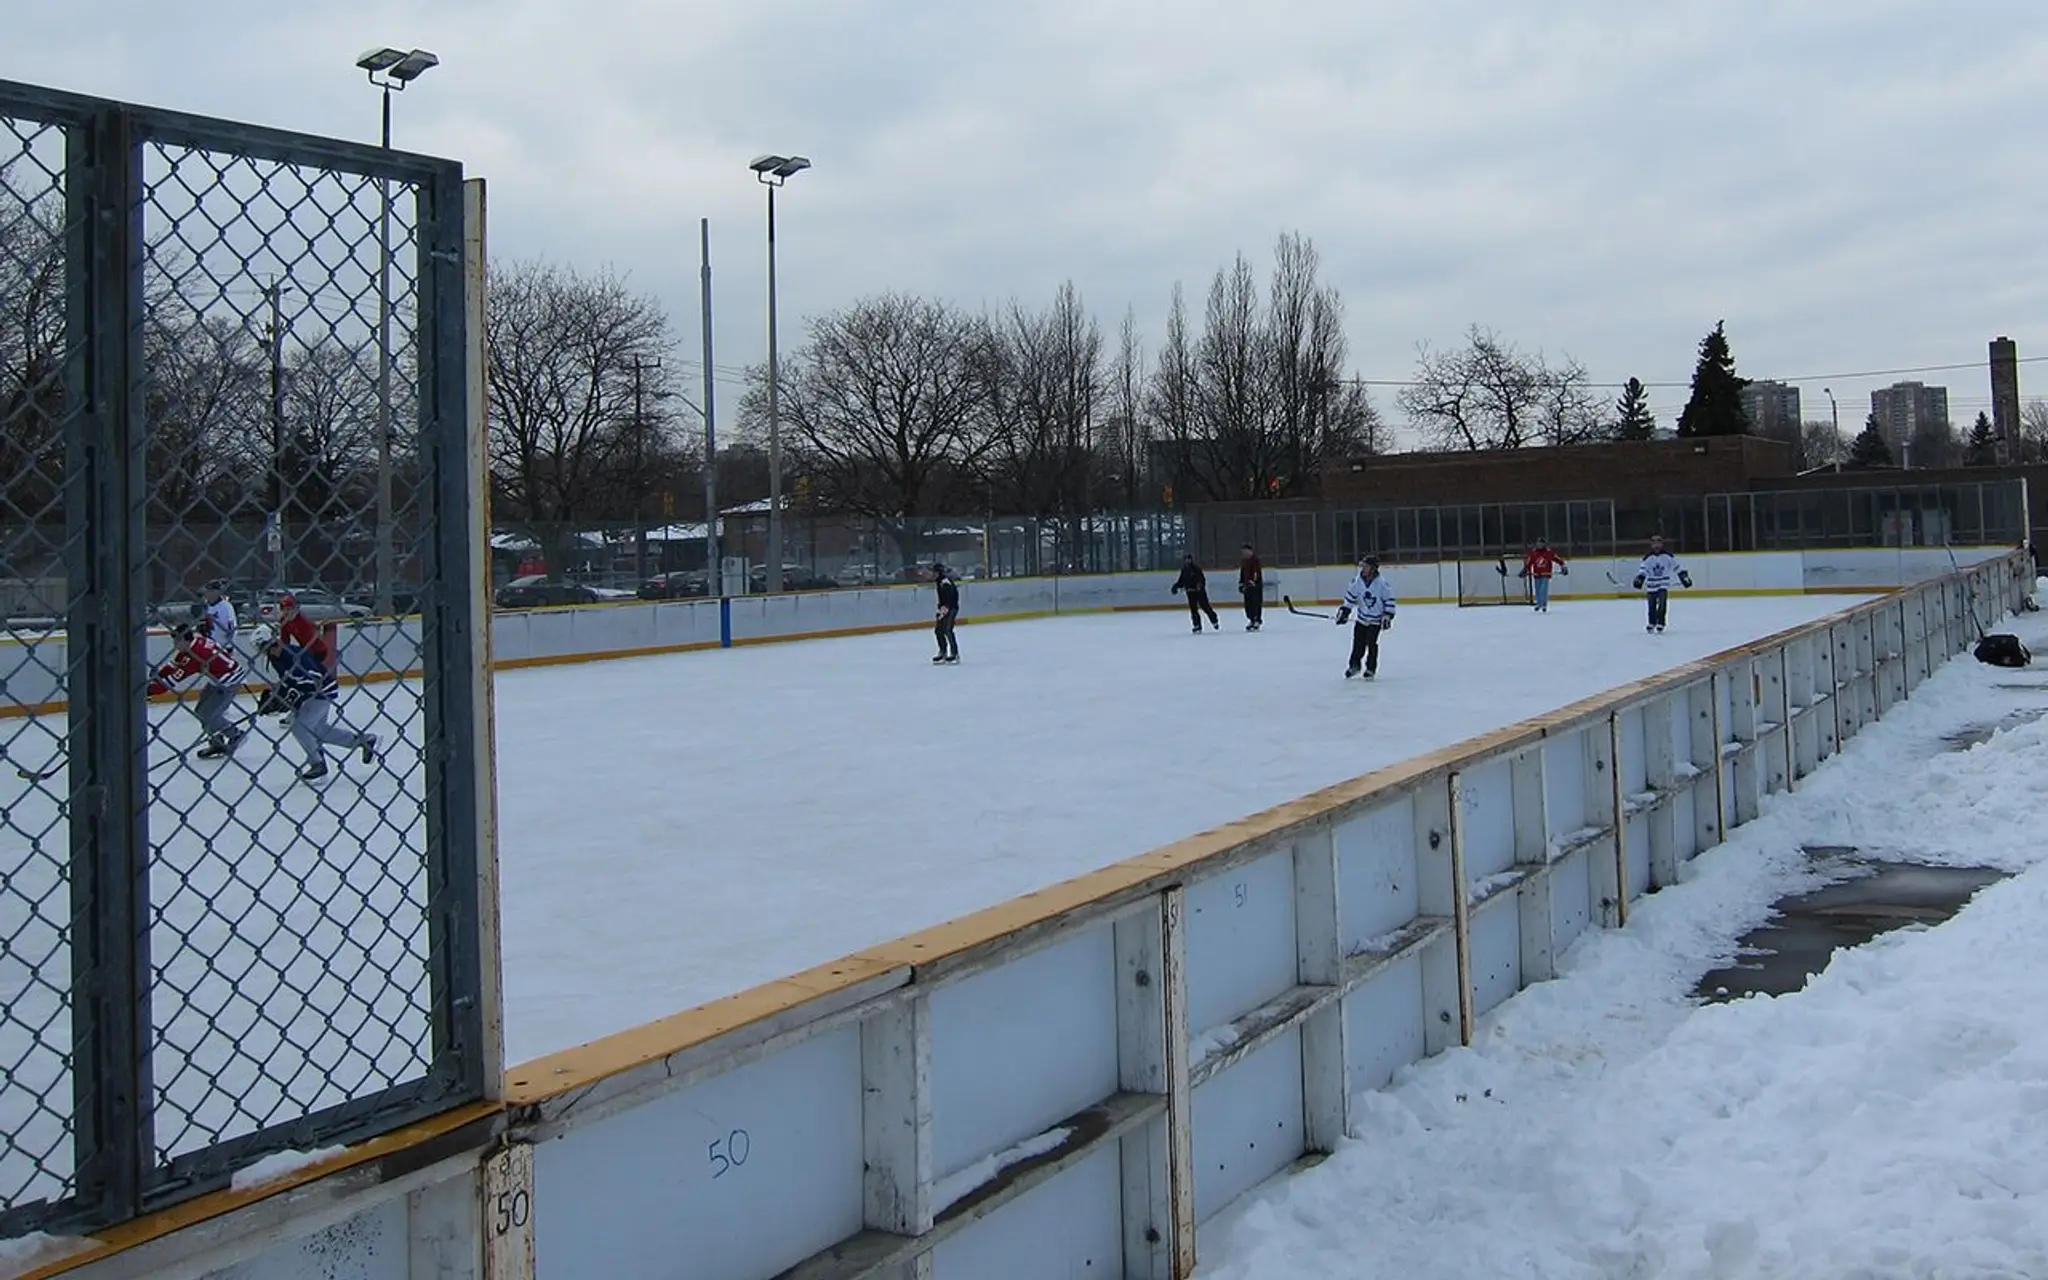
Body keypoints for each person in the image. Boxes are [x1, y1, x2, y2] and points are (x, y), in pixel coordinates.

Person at [251, 624, 377, 780]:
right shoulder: (276, 658)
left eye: (270, 645)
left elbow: (313, 681)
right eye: (264, 648)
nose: (270, 650)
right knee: (319, 730)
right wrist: (277, 698)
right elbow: (288, 682)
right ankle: (364, 741)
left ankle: (317, 763)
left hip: (320, 693)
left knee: (300, 728)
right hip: (313, 695)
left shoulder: (294, 655)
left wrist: (290, 698)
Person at [148, 621, 250, 758]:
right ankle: (217, 743)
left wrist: (147, 690)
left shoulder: (195, 656)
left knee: (209, 715)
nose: (175, 645)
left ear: (184, 640)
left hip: (228, 682)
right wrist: (158, 675)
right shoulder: (195, 642)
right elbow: (173, 665)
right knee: (201, 712)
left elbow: (169, 683)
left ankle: (236, 734)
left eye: (177, 641)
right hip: (220, 678)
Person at [1335, 555, 1397, 679]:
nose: (1363, 568)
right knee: (1358, 643)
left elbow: (1389, 602)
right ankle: (1354, 666)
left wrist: (1388, 616)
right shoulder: (1357, 581)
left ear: (1373, 568)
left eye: (1366, 566)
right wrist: (1345, 611)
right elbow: (1351, 597)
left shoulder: (1382, 584)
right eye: (1363, 566)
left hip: (1375, 621)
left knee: (1371, 644)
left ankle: (1370, 668)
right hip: (1362, 619)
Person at [1632, 534, 1693, 633]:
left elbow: (1677, 568)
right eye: (1654, 543)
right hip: (1651, 586)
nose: (1656, 545)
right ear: (1651, 545)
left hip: (1663, 585)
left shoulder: (1668, 557)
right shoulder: (1647, 558)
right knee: (1651, 606)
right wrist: (1639, 579)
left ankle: (1661, 623)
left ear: (1662, 544)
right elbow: (1643, 570)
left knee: (1662, 605)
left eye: (1658, 543)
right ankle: (1651, 623)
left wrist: (1684, 577)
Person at [274, 592, 334, 670]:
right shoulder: (285, 621)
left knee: (312, 670)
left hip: (317, 650)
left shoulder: (302, 621)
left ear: (295, 609)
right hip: (304, 650)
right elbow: (285, 640)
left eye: (289, 609)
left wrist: (303, 653)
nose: (286, 612)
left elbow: (312, 639)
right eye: (284, 609)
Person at [1170, 555, 1220, 633]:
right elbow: (1181, 581)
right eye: (1186, 560)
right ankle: (1197, 625)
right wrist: (1176, 587)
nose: (1187, 561)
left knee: (1205, 607)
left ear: (1191, 560)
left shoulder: (1196, 568)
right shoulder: (1184, 570)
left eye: (1188, 559)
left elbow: (1202, 579)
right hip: (1190, 593)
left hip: (1200, 592)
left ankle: (1214, 620)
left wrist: (1199, 585)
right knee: (1193, 610)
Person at [1519, 539, 1569, 613]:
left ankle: (1544, 605)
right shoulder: (1534, 553)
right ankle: (1539, 604)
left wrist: (1563, 566)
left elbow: (1558, 559)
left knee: (1543, 590)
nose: (1540, 545)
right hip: (1537, 574)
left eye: (1541, 543)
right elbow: (1529, 563)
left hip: (1545, 574)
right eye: (1538, 543)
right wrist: (1525, 570)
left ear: (1544, 544)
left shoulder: (1549, 552)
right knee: (1538, 590)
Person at [931, 562, 960, 664]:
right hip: (945, 608)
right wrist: (941, 609)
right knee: (939, 630)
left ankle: (954, 654)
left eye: (934, 572)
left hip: (951, 608)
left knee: (948, 630)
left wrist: (945, 608)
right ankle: (942, 652)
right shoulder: (939, 581)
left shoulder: (945, 582)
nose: (932, 574)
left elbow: (950, 596)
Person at [200, 579, 237, 648]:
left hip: (224, 646)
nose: (206, 593)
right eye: (207, 591)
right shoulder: (207, 606)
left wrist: (229, 645)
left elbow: (231, 629)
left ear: (216, 592)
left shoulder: (226, 607)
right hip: (210, 644)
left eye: (210, 591)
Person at [1238, 543, 1264, 631]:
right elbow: (1242, 573)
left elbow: (1256, 572)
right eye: (1243, 552)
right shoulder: (1244, 561)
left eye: (1245, 551)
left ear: (1250, 551)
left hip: (1255, 586)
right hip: (1247, 586)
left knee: (1256, 603)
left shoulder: (1255, 560)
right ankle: (1251, 619)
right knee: (1248, 605)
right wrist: (1241, 583)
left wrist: (1253, 581)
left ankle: (1257, 620)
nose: (1244, 553)